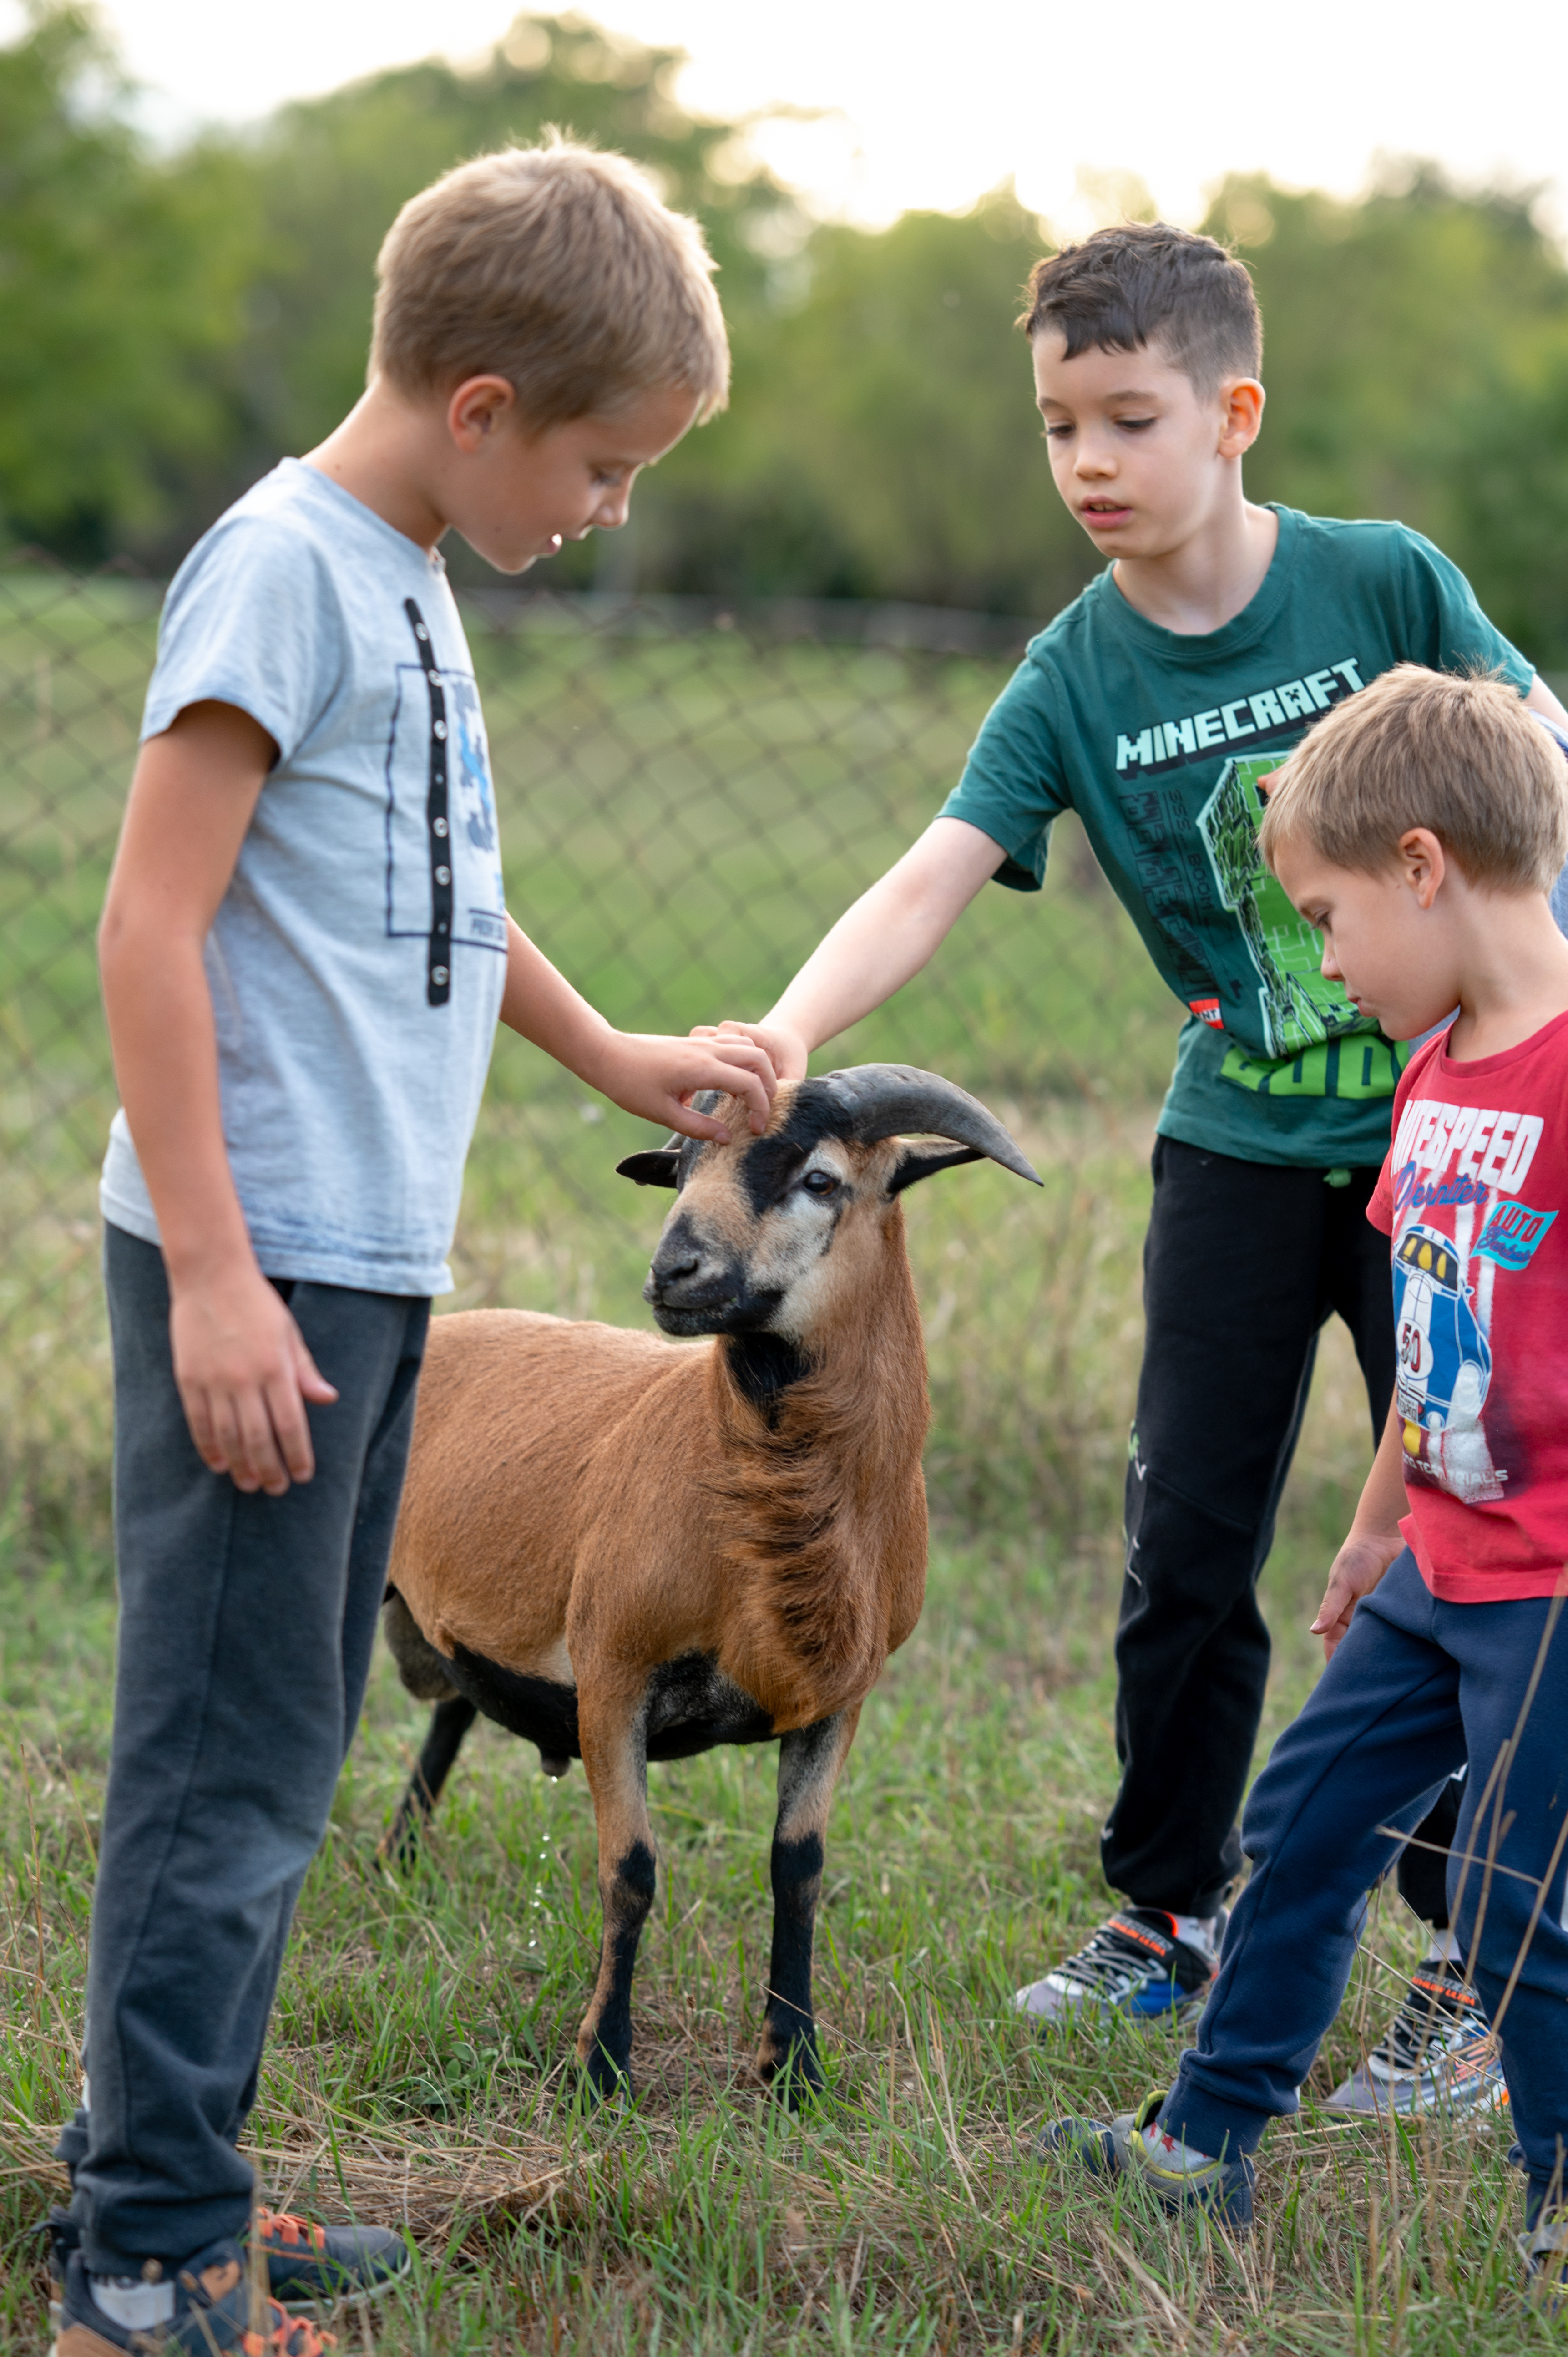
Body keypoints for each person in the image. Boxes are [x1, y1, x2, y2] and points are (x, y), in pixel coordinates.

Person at [698, 222, 1568, 2095]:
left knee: (1479, 1540)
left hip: (1465, 1144)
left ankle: (1476, 1954)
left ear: (1232, 412)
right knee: (1186, 1543)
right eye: (1055, 426)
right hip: (1241, 1152)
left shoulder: (1382, 583)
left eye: (1128, 417)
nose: (1087, 460)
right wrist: (789, 1032)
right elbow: (937, 868)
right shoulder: (1074, 676)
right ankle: (1166, 1907)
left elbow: (1535, 755)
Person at [48, 140, 783, 2357]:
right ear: (479, 406)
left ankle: (189, 2191)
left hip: (360, 1270)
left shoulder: (404, 571)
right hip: (258, 1272)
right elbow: (145, 925)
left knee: (275, 1754)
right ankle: (139, 2274)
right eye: (600, 460)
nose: (610, 506)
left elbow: (445, 897)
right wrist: (211, 1274)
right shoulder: (282, 566)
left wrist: (622, 1057)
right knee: (223, 1766)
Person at [1041, 664, 1568, 2293]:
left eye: (1331, 918)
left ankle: (1560, 2194)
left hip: (1550, 1578)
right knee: (1303, 1818)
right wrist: (1365, 1534)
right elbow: (1426, 1341)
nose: (1324, 962)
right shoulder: (1429, 1075)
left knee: (1513, 1893)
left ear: (1426, 866)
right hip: (1436, 1566)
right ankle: (1207, 2138)